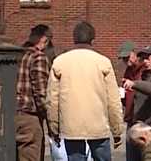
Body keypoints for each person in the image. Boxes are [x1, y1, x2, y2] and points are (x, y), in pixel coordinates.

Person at [46, 21, 124, 161]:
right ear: (93, 40)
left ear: (74, 38)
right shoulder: (103, 62)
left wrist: (54, 127)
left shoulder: (60, 62)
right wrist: (117, 130)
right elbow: (113, 100)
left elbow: (52, 100)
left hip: (71, 127)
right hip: (98, 125)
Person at [16, 24, 53, 161]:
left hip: (10, 116)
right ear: (44, 40)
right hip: (29, 118)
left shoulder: (16, 56)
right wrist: (51, 122)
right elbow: (41, 94)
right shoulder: (38, 57)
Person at [117, 41, 147, 161]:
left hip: (142, 118)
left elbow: (147, 89)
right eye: (123, 59)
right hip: (131, 118)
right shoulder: (129, 71)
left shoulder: (144, 70)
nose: (126, 61)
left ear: (134, 54)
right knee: (131, 155)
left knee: (143, 154)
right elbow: (127, 94)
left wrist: (133, 86)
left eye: (127, 57)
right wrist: (122, 95)